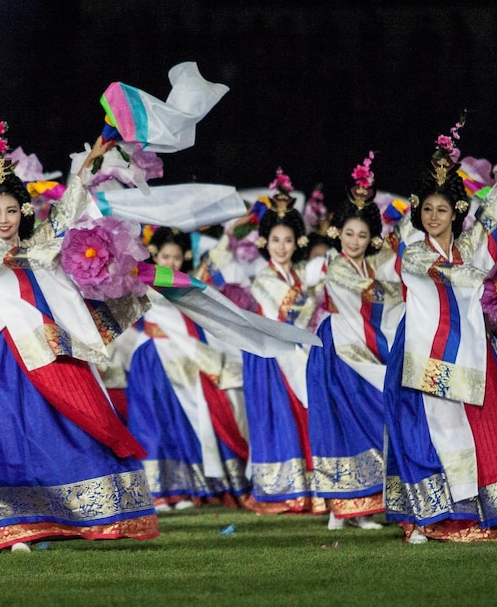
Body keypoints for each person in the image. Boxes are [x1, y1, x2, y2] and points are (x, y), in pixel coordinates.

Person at [0, 125, 159, 554]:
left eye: (10, 210)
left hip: (34, 345)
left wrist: (83, 172)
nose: (3, 219)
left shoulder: (41, 240)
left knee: (42, 430)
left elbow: (65, 214)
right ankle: (0, 519)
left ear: (23, 211)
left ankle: (32, 520)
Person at [383, 130, 497, 543]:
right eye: (427, 209)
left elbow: (493, 211)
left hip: (471, 348)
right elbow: (450, 277)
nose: (434, 217)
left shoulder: (467, 245)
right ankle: (427, 516)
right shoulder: (415, 251)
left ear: (456, 210)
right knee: (425, 432)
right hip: (423, 348)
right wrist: (488, 282)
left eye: (442, 209)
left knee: (484, 427)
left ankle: (482, 509)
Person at [126, 226, 251, 511]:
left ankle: (185, 489)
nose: (171, 263)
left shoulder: (190, 282)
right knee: (153, 424)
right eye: (166, 256)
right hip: (152, 358)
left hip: (186, 359)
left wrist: (237, 228)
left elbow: (218, 256)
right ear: (155, 255)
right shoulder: (142, 280)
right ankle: (158, 491)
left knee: (183, 422)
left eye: (177, 257)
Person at [304, 152, 392, 530]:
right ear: (338, 232)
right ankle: (345, 507)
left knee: (371, 419)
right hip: (339, 349)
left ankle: (357, 505)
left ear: (371, 238)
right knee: (345, 423)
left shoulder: (371, 265)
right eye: (350, 233)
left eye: (363, 234)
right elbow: (369, 291)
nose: (355, 240)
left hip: (365, 347)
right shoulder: (334, 265)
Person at [242, 168, 324, 514]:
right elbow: (290, 311)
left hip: (298, 351)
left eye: (288, 240)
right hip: (272, 356)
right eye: (275, 240)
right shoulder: (263, 278)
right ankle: (283, 490)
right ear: (265, 242)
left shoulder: (300, 275)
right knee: (280, 418)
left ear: (298, 243)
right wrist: (315, 290)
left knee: (307, 415)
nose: (281, 247)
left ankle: (313, 488)